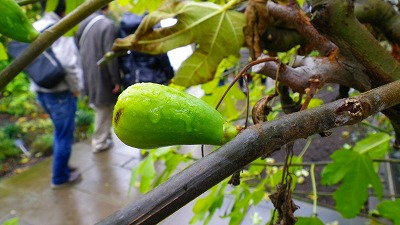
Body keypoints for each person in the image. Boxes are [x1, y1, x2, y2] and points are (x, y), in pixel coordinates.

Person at [32, 0, 84, 188]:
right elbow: (69, 63)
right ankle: (59, 178)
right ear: (63, 9)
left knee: (59, 133)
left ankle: (62, 166)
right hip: (61, 92)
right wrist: (76, 88)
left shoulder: (34, 26)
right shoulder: (60, 28)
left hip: (41, 90)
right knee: (64, 136)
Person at [75, 5, 122, 153]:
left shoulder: (82, 25)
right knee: (103, 110)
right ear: (107, 7)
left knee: (101, 108)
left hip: (88, 74)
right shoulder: (106, 25)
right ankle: (99, 143)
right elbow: (110, 56)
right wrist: (116, 80)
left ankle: (105, 137)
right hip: (102, 76)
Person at [118, 12, 175, 87]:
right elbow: (161, 53)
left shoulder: (123, 28)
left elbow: (123, 57)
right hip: (156, 77)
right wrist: (169, 73)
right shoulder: (150, 22)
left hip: (135, 80)